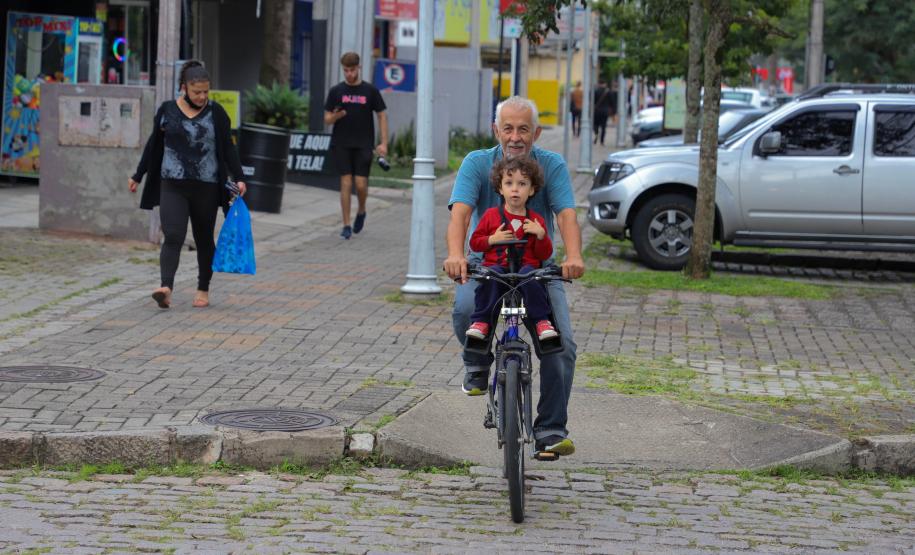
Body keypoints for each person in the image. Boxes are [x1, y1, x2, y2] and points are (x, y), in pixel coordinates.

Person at [444, 96, 585, 458]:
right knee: (463, 311)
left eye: (523, 128)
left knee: (562, 345)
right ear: (496, 130)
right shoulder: (477, 163)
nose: (515, 136)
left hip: (538, 269)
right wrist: (457, 255)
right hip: (486, 265)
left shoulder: (551, 165)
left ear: (536, 132)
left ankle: (551, 430)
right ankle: (477, 365)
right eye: (508, 128)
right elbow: (460, 216)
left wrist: (573, 256)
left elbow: (566, 215)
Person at [128, 60, 247, 309]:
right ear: (184, 88)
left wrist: (239, 178)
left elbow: (228, 148)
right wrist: (138, 175)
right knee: (173, 235)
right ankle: (166, 287)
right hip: (172, 184)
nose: (202, 96)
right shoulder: (167, 111)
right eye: (197, 92)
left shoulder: (217, 113)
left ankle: (203, 288)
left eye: (206, 91)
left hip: (206, 186)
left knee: (204, 238)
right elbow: (153, 145)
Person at [465, 156, 558, 343]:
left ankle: (541, 321)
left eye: (522, 183)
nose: (515, 189)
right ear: (500, 188)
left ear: (531, 190)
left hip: (525, 271)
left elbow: (543, 254)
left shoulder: (536, 220)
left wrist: (541, 235)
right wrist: (492, 239)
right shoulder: (491, 216)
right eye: (509, 183)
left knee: (533, 278)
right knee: (490, 278)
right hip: (497, 268)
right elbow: (475, 243)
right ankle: (481, 322)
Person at [323, 52, 388, 240]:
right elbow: (327, 118)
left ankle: (361, 210)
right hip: (341, 143)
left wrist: (383, 143)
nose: (349, 74)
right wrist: (337, 116)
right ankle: (346, 224)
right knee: (346, 181)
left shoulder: (370, 91)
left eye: (352, 70)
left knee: (360, 184)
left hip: (363, 143)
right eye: (345, 70)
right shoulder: (336, 91)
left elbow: (382, 115)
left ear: (358, 68)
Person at [593, 80, 612, 146]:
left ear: (599, 84)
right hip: (605, 112)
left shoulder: (595, 91)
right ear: (605, 84)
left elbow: (592, 101)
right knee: (603, 127)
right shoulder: (608, 92)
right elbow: (611, 102)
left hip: (596, 111)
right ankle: (602, 141)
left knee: (596, 125)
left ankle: (596, 134)